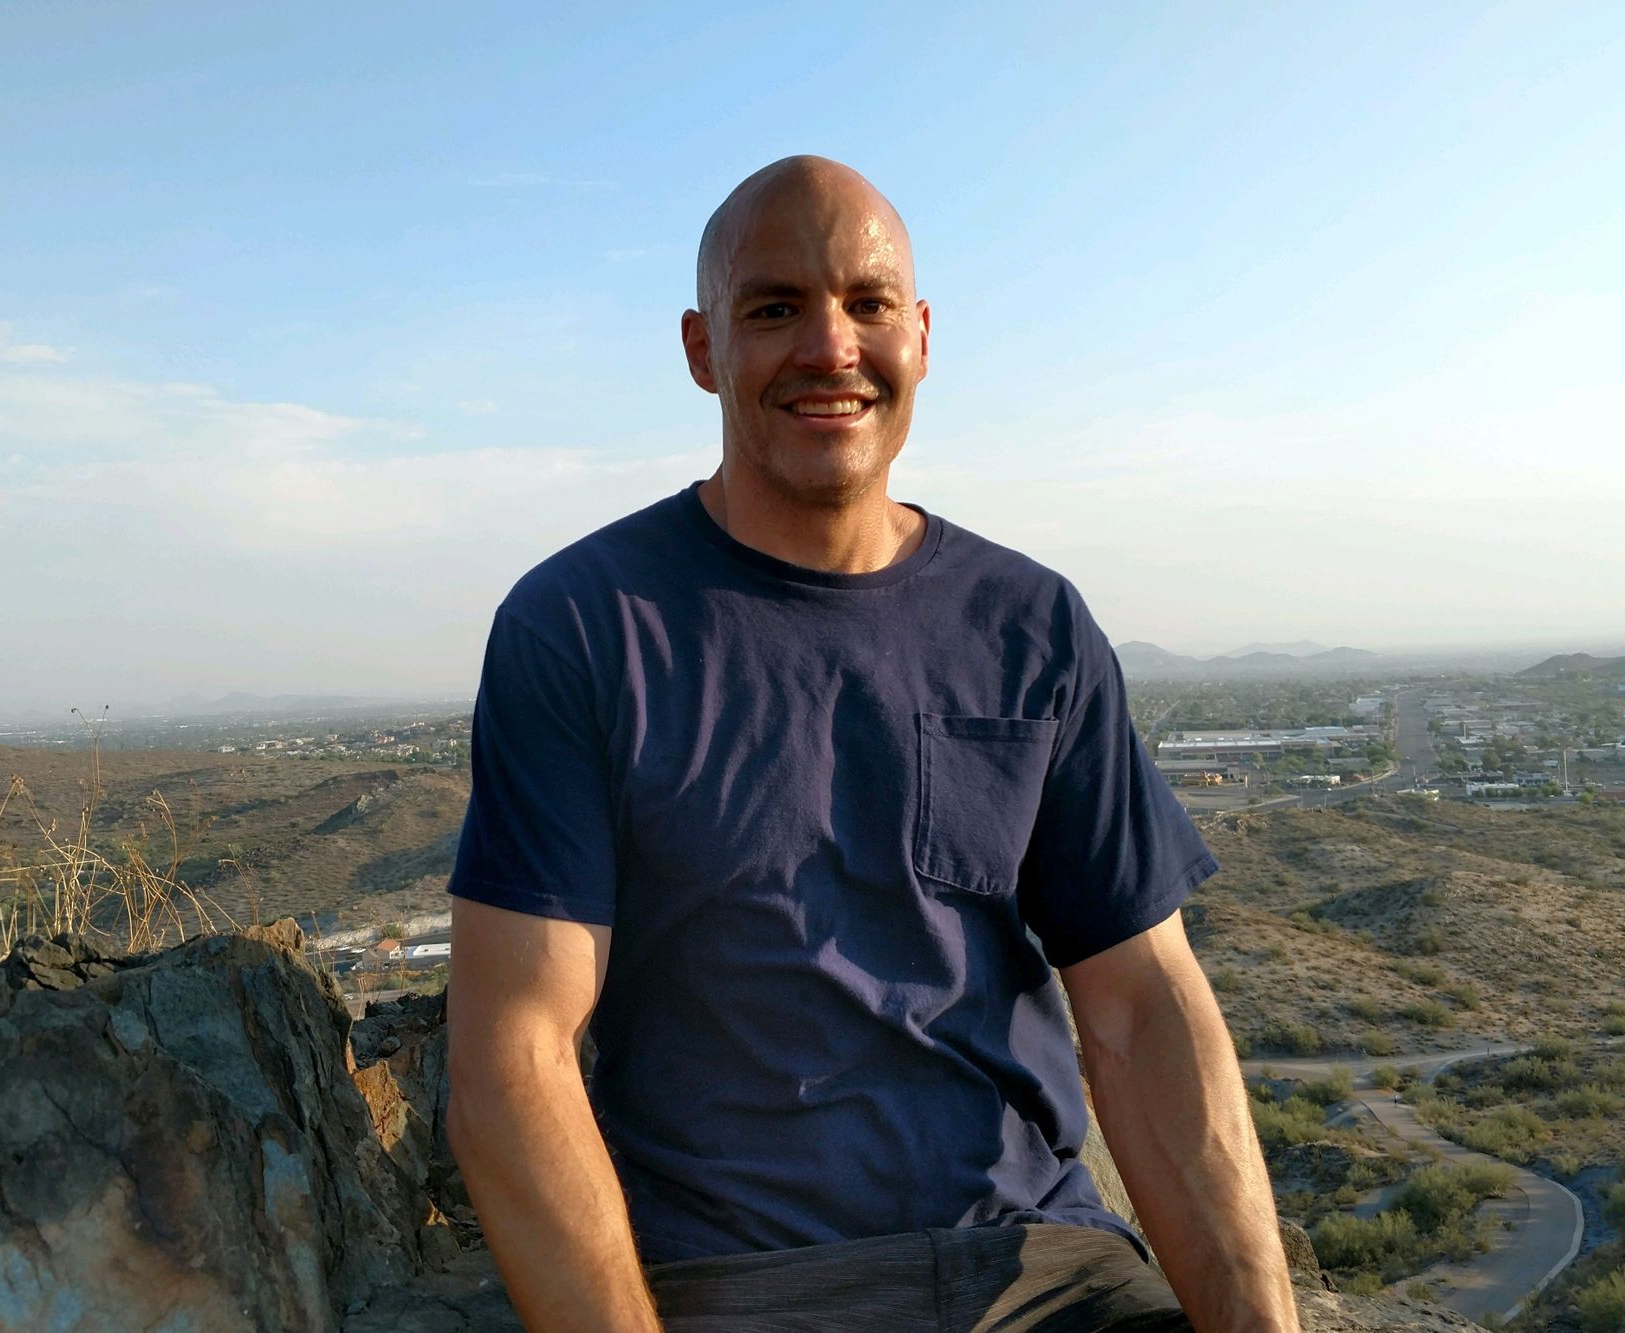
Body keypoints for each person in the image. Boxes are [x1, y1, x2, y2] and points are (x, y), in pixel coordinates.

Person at [443, 155, 1299, 1333]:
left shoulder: (1031, 626)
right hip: (748, 1291)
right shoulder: (585, 628)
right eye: (774, 307)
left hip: (1045, 1278)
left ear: (922, 335)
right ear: (702, 351)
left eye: (867, 303)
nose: (829, 348)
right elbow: (511, 1054)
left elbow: (1142, 1007)